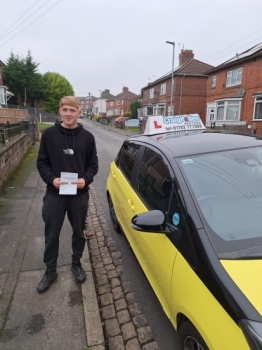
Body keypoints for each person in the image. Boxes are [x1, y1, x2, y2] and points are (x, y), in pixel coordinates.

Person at [36, 96, 98, 293]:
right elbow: (42, 162)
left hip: (78, 196)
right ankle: (50, 270)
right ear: (60, 111)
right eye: (65, 110)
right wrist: (51, 179)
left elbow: (93, 165)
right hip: (55, 194)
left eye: (73, 110)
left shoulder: (88, 138)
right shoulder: (49, 135)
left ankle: (76, 264)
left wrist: (85, 179)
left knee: (78, 231)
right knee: (51, 233)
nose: (69, 114)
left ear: (79, 112)